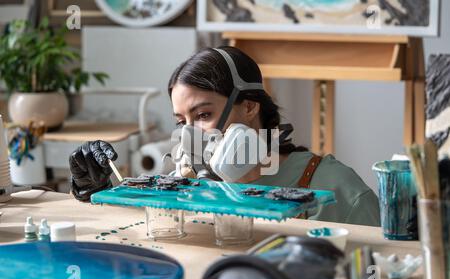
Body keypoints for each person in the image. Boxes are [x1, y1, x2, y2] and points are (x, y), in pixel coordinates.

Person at [69, 46, 380, 227]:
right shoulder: (190, 186)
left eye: (203, 115)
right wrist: (95, 187)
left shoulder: (337, 188)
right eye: (182, 121)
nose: (190, 134)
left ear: (248, 106)